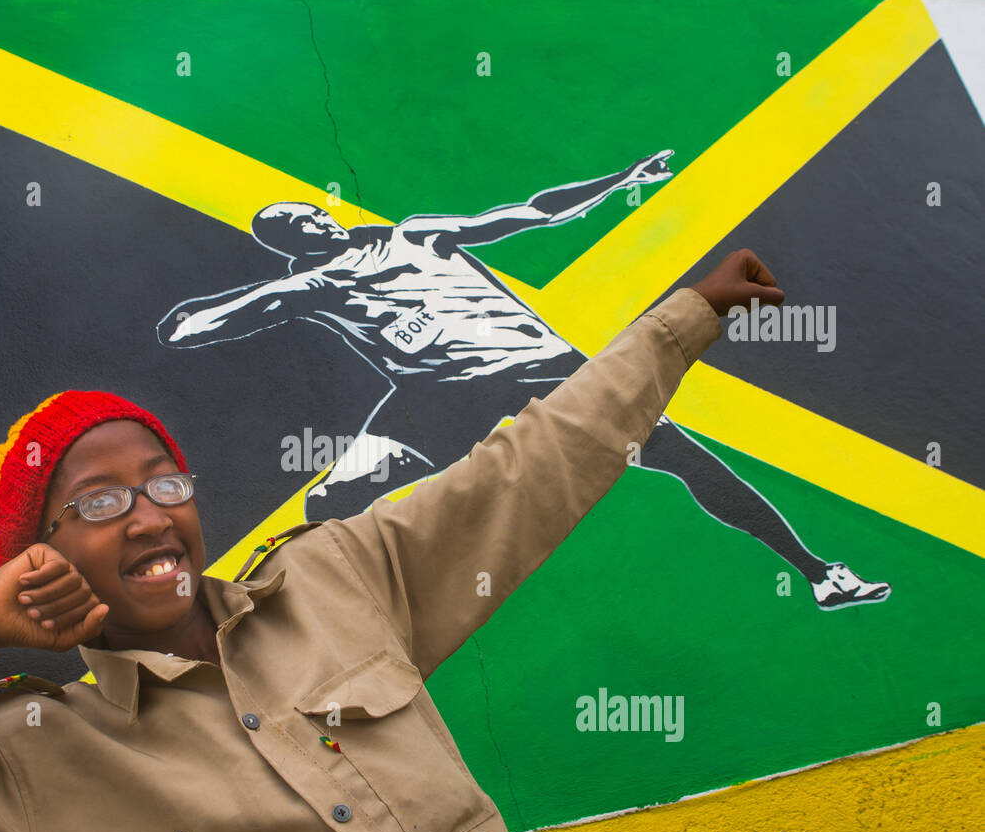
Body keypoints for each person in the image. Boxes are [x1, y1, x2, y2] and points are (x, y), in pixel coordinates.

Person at [0, 250, 779, 832]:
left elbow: (529, 465)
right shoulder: (28, 770)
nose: (154, 511)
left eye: (163, 478)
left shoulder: (339, 578)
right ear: (38, 556)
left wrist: (681, 321)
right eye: (99, 499)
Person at [158, 160, 889, 610]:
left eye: (305, 213)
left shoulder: (416, 233)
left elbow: (530, 212)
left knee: (681, 458)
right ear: (288, 246)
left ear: (325, 212)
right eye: (288, 228)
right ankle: (305, 619)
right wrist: (191, 320)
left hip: (538, 367)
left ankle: (821, 572)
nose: (305, 224)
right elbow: (215, 321)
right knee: (329, 497)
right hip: (434, 395)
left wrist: (620, 182)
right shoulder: (312, 285)